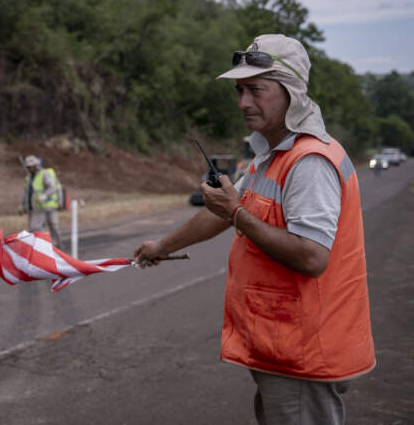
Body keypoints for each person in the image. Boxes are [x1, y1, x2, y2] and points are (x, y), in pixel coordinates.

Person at [134, 34, 375, 425]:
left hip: (304, 348)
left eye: (256, 90)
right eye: (239, 91)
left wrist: (237, 214)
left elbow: (312, 257)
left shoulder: (309, 161)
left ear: (291, 92)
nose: (244, 102)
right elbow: (222, 213)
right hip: (283, 344)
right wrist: (162, 245)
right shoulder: (271, 154)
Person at [18, 155, 62, 249]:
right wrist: (23, 205)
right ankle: (46, 245)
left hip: (48, 205)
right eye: (27, 167)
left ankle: (58, 246)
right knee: (35, 227)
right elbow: (27, 194)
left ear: (35, 166)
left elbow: (53, 188)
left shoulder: (44, 174)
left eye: (30, 167)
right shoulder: (29, 178)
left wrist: (45, 196)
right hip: (37, 208)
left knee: (53, 226)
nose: (29, 169)